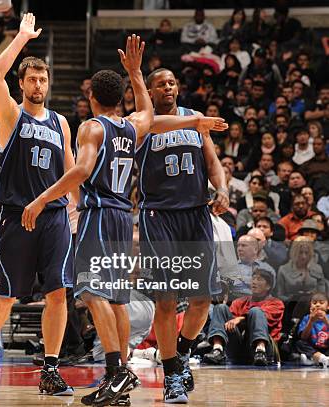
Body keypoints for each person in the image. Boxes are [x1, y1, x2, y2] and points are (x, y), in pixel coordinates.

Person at [22, 37, 228, 406]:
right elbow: (152, 116)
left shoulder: (92, 128)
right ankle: (121, 376)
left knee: (90, 291)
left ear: (90, 99)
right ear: (124, 96)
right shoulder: (134, 127)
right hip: (129, 215)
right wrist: (138, 75)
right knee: (117, 300)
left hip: (101, 214)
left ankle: (119, 372)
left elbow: (82, 170)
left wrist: (41, 198)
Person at [0, 14, 76, 396]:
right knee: (6, 297)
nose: (38, 85)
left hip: (52, 217)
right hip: (16, 217)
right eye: (32, 79)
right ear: (22, 84)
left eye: (43, 79)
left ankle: (50, 369)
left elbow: (71, 171)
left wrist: (77, 211)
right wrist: (20, 38)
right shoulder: (11, 114)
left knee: (57, 293)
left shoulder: (61, 123)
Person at [136, 67, 229, 403]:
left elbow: (213, 162)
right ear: (150, 90)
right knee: (166, 299)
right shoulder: (143, 122)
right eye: (161, 84)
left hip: (196, 214)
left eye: (172, 82)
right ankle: (172, 373)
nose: (169, 87)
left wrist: (222, 189)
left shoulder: (196, 118)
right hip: (158, 215)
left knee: (203, 297)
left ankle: (182, 354)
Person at [203, 268, 284, 366]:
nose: (254, 281)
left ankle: (260, 351)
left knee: (256, 311)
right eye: (253, 278)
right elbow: (230, 324)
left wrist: (240, 319)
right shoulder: (239, 302)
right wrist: (234, 321)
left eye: (259, 279)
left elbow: (264, 318)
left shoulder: (276, 303)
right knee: (220, 308)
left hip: (266, 349)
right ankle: (217, 350)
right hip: (240, 347)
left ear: (268, 286)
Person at [295, 292, 329, 368]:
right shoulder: (307, 318)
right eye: (314, 303)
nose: (317, 305)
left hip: (326, 347)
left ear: (328, 307)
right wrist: (311, 321)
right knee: (300, 343)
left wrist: (325, 320)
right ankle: (320, 358)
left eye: (321, 303)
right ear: (310, 306)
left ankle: (313, 359)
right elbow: (303, 337)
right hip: (313, 348)